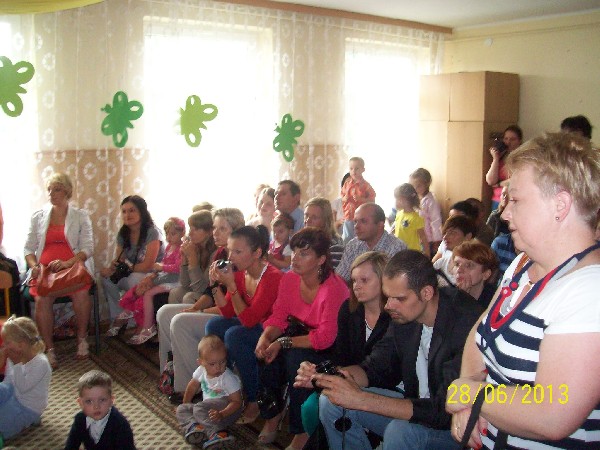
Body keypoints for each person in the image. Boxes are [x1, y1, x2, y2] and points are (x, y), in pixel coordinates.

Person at [447, 132, 600, 450]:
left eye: (515, 200)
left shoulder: (589, 290)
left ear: (560, 205)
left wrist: (469, 393)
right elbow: (480, 338)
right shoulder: (522, 265)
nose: (504, 213)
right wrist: (468, 400)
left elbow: (552, 414)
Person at [296, 250, 483, 450]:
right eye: (388, 297)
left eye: (398, 298)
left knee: (399, 431)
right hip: (417, 407)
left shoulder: (465, 323)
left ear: (427, 293)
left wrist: (361, 400)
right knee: (332, 402)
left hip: (457, 427)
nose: (388, 306)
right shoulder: (406, 316)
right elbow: (375, 367)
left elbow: (443, 410)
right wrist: (327, 377)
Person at [255, 227, 350, 450]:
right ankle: (273, 414)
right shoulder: (289, 279)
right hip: (298, 336)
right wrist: (265, 338)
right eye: (295, 251)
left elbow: (325, 337)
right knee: (265, 355)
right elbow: (279, 316)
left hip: (329, 347)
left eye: (304, 253)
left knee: (297, 361)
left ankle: (302, 430)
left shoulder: (334, 287)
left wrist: (282, 343)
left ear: (321, 259)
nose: (295, 258)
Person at [301, 251, 391, 442]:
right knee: (309, 408)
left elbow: (385, 369)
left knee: (327, 405)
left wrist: (330, 378)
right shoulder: (349, 310)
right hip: (349, 377)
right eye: (354, 280)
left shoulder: (394, 316)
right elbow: (340, 355)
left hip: (383, 385)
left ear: (384, 280)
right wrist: (320, 372)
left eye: (364, 280)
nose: (356, 286)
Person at [157, 208, 244, 398]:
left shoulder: (239, 258)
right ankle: (171, 375)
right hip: (217, 306)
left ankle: (197, 384)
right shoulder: (221, 253)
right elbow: (209, 290)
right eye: (215, 227)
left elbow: (231, 307)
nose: (215, 233)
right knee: (165, 312)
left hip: (229, 314)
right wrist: (196, 307)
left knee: (180, 321)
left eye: (222, 229)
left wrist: (200, 311)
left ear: (236, 231)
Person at [203, 225, 283, 426]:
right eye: (230, 251)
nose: (231, 257)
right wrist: (214, 285)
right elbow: (227, 312)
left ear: (256, 253)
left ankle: (254, 398)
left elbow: (249, 320)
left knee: (234, 335)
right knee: (214, 326)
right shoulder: (240, 273)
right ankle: (225, 386)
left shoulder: (272, 277)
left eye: (238, 252)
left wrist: (231, 286)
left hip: (272, 330)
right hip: (253, 324)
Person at [24, 173, 94, 367]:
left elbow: (88, 248)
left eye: (57, 189)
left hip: (72, 269)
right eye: (49, 190)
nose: (51, 194)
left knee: (81, 293)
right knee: (42, 299)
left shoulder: (80, 216)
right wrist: (34, 266)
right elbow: (28, 249)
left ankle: (82, 340)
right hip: (45, 272)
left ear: (67, 191)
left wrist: (67, 263)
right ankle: (49, 349)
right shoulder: (38, 216)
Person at [118, 217, 185, 344]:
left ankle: (149, 327)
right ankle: (130, 310)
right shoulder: (169, 247)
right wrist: (156, 272)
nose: (169, 237)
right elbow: (164, 263)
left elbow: (178, 268)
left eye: (173, 234)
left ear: (182, 233)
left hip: (175, 280)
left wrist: (161, 267)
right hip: (166, 276)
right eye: (167, 234)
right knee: (143, 283)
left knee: (148, 293)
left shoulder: (181, 249)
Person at [100, 195, 164, 327]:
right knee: (107, 279)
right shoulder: (123, 233)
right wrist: (113, 267)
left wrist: (127, 268)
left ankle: (135, 321)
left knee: (133, 279)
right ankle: (118, 318)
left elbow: (148, 265)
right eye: (124, 211)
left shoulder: (152, 232)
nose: (127, 215)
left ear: (142, 211)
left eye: (132, 210)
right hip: (134, 272)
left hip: (154, 275)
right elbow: (120, 259)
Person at [176, 335, 242, 448]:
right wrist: (186, 403)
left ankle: (218, 433)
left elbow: (237, 402)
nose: (218, 367)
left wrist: (222, 414)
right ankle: (196, 427)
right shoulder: (201, 371)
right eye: (212, 364)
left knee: (199, 408)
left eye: (222, 362)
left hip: (227, 409)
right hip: (207, 410)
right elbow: (192, 386)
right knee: (181, 409)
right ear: (201, 362)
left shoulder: (228, 378)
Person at [0, 316, 51, 440]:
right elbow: (8, 381)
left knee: (2, 425)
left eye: (7, 342)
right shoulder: (14, 354)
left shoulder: (41, 363)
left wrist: (17, 363)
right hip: (13, 392)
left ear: (21, 345)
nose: (4, 345)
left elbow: (23, 388)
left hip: (27, 406)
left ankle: (29, 419)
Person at [64, 369, 135, 450]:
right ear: (80, 403)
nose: (96, 406)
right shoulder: (80, 419)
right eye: (89, 401)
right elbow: (71, 445)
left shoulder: (120, 424)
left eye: (102, 400)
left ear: (111, 400)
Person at [336, 203, 407, 282]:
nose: (356, 226)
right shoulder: (353, 245)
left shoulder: (396, 247)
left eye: (363, 221)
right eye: (355, 222)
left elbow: (395, 284)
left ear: (380, 225)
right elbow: (339, 279)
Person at [485, 125, 523, 210]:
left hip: (513, 200)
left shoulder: (522, 158)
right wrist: (496, 159)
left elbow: (517, 179)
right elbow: (490, 181)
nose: (508, 142)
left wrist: (499, 184)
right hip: (497, 199)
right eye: (506, 139)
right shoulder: (502, 157)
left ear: (519, 141)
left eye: (512, 139)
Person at [452, 240, 498, 308]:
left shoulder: (496, 301)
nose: (459, 270)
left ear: (486, 274)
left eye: (468, 265)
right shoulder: (445, 296)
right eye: (457, 264)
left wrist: (464, 299)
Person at [433, 215, 477, 286]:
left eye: (452, 233)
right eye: (445, 232)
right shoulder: (442, 261)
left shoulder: (474, 267)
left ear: (468, 237)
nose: (445, 237)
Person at [341, 157, 376, 243]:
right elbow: (342, 196)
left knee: (360, 238)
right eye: (351, 169)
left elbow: (372, 200)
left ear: (363, 170)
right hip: (348, 216)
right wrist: (345, 198)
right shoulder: (346, 184)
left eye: (357, 168)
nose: (354, 171)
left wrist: (362, 199)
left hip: (361, 218)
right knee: (347, 238)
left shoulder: (366, 185)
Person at [303, 197, 345, 269]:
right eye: (306, 215)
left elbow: (332, 274)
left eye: (314, 217)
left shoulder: (335, 246)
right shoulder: (302, 241)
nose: (308, 220)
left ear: (326, 221)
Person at [409, 168, 442, 256]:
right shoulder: (414, 199)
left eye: (418, 186)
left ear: (427, 183)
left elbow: (435, 221)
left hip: (428, 239)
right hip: (416, 237)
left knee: (425, 257)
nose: (415, 189)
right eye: (413, 186)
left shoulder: (431, 201)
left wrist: (436, 241)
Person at [393, 183, 429, 257]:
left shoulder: (416, 218)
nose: (395, 202)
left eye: (397, 199)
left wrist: (427, 254)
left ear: (404, 200)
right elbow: (397, 228)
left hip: (411, 254)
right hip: (399, 252)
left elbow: (423, 237)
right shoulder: (399, 214)